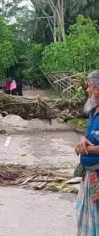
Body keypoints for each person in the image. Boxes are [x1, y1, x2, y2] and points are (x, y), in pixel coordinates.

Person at [75, 70, 99, 235]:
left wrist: (86, 149)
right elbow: (90, 135)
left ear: (97, 89)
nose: (87, 90)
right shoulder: (93, 112)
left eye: (89, 87)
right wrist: (83, 140)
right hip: (89, 176)